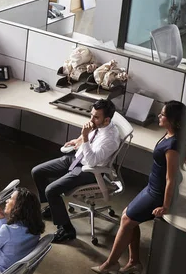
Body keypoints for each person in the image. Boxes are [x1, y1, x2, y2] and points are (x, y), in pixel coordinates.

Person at [92, 101, 186, 274]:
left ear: (173, 120)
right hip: (152, 187)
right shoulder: (169, 135)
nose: (159, 116)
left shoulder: (173, 146)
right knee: (128, 217)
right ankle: (134, 262)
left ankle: (110, 264)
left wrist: (165, 206)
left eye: (163, 115)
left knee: (127, 220)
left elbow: (171, 179)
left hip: (158, 193)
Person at [31, 99, 120, 242]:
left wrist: (84, 136)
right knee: (37, 172)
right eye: (92, 115)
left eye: (96, 117)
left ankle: (67, 230)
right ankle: (52, 207)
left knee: (51, 190)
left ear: (107, 120)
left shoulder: (110, 139)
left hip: (88, 170)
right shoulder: (100, 124)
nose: (91, 119)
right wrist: (78, 140)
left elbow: (92, 161)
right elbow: (91, 134)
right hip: (77, 158)